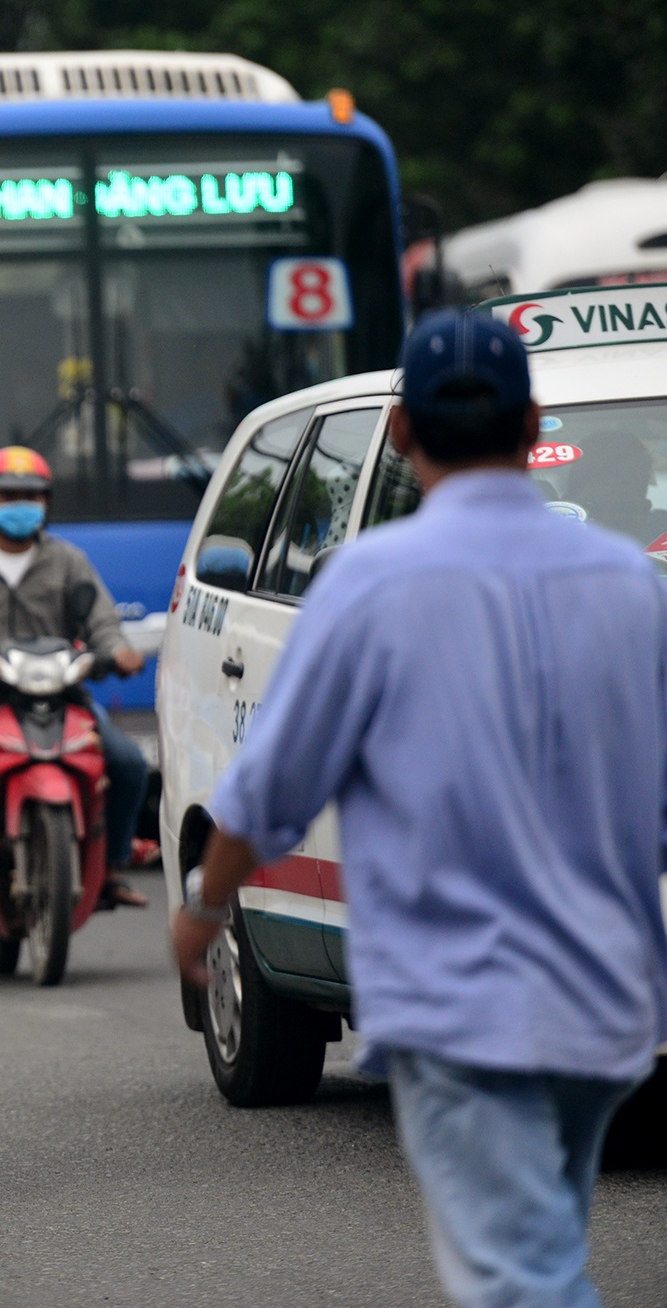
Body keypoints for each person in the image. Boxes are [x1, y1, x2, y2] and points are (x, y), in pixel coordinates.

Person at [174, 310, 667, 1308]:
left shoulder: (369, 583)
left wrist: (204, 907)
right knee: (541, 1239)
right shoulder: (630, 582)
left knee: (522, 1278)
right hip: (608, 998)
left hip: (463, 1004)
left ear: (400, 432)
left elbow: (271, 787)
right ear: (529, 424)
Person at [0, 445, 150, 923]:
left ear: (46, 503)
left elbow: (103, 623)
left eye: (31, 496)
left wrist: (118, 651)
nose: (21, 505)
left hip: (61, 695)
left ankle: (112, 865)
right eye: (9, 496)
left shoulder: (68, 561)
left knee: (128, 762)